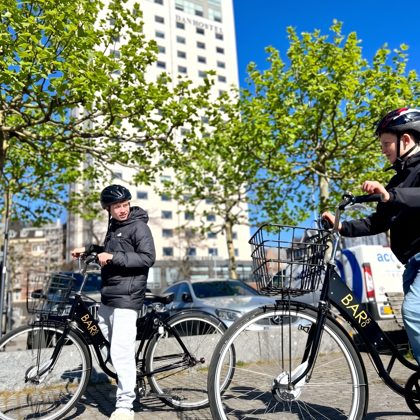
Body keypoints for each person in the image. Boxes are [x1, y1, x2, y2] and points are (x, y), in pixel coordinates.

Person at [322, 108, 420, 362]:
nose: (383, 150)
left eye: (387, 143)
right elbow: (378, 222)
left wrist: (389, 196)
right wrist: (342, 226)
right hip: (411, 264)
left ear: (406, 140)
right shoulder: (398, 181)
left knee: (413, 312)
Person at [71, 184, 156, 420]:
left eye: (125, 204)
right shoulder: (115, 228)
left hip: (128, 297)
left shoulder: (139, 226)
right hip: (109, 295)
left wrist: (113, 257)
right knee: (105, 341)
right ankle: (131, 378)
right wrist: (88, 249)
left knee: (120, 352)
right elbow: (109, 250)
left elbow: (148, 258)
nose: (122, 210)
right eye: (117, 206)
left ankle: (125, 406)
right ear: (108, 208)